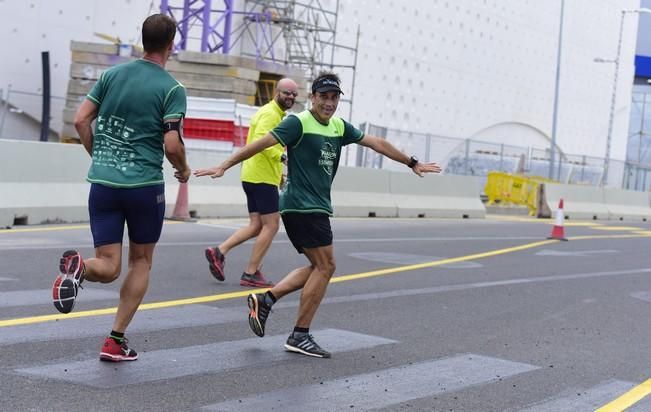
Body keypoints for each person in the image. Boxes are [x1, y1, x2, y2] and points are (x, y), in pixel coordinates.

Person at [194, 71, 441, 358]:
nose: (329, 103)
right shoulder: (298, 122)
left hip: (315, 206)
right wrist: (225, 164)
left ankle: (266, 299)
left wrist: (412, 162)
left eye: (334, 97)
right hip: (302, 205)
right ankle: (299, 334)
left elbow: (376, 143)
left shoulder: (338, 127)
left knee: (319, 266)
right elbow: (259, 144)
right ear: (312, 98)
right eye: (323, 97)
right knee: (326, 267)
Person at [51, 13, 190, 362]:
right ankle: (115, 340)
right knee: (140, 262)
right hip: (143, 187)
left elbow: (81, 119)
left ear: (143, 41)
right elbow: (172, 146)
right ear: (171, 45)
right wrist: (184, 170)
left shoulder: (112, 75)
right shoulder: (172, 89)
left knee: (108, 265)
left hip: (103, 184)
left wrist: (98, 155)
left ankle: (80, 267)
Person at [204, 78, 298, 288]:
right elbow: (262, 144)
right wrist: (282, 158)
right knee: (272, 225)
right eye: (286, 93)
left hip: (254, 175)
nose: (290, 97)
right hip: (261, 176)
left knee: (256, 225)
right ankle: (251, 272)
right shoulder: (271, 114)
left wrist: (279, 174)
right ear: (277, 92)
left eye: (294, 94)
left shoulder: (271, 112)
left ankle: (219, 252)